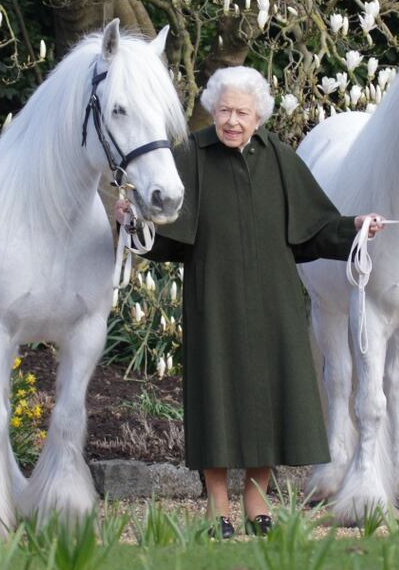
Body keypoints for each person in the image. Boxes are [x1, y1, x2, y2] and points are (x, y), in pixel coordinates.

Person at [116, 66, 382, 538]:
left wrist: (357, 226)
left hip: (273, 302)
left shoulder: (279, 158)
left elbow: (315, 228)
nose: (231, 121)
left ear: (259, 115)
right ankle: (218, 502)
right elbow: (164, 235)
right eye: (223, 111)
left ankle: (256, 497)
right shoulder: (192, 156)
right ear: (212, 112)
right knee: (215, 399)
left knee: (269, 400)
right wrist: (132, 221)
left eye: (241, 112)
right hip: (211, 300)